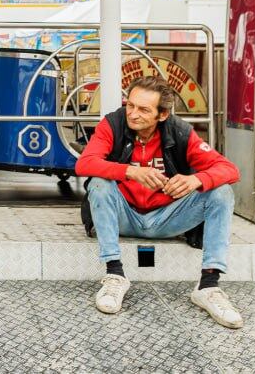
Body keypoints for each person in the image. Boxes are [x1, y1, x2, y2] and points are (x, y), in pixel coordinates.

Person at [75, 76, 243, 328]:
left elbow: (230, 169)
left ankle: (208, 286)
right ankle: (115, 275)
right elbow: (84, 164)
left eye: (143, 109)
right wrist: (130, 171)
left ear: (162, 115)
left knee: (221, 192)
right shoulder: (112, 124)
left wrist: (197, 179)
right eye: (130, 105)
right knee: (99, 184)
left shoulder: (180, 131)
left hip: (168, 218)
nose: (133, 114)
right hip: (124, 217)